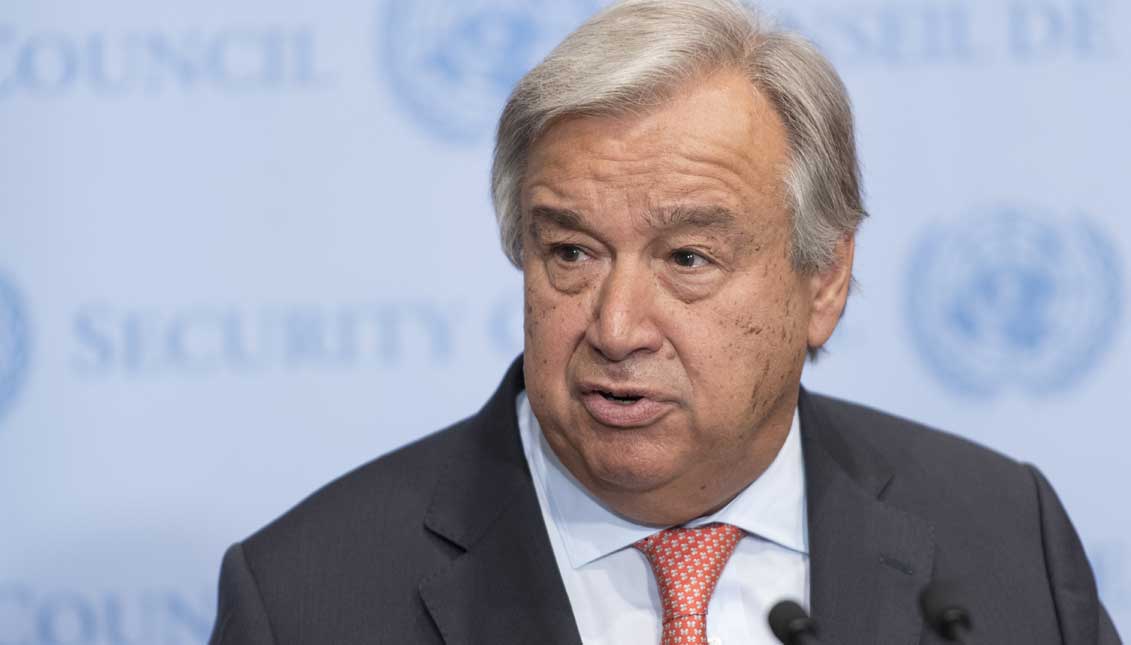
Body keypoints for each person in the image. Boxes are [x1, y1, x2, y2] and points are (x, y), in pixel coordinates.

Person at [208, 1, 1121, 643]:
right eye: (570, 252)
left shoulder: (1002, 536)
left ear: (824, 280)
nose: (614, 327)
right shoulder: (307, 598)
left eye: (687, 259)